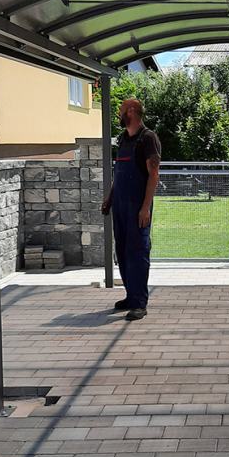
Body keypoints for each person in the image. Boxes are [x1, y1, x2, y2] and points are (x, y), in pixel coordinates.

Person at [101, 99, 161, 321]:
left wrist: (145, 208)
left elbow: (153, 175)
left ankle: (139, 303)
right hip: (120, 206)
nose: (119, 114)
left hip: (138, 208)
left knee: (137, 253)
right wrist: (110, 199)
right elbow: (118, 173)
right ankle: (130, 295)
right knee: (123, 252)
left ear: (132, 111)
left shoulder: (148, 138)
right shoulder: (124, 139)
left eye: (121, 111)